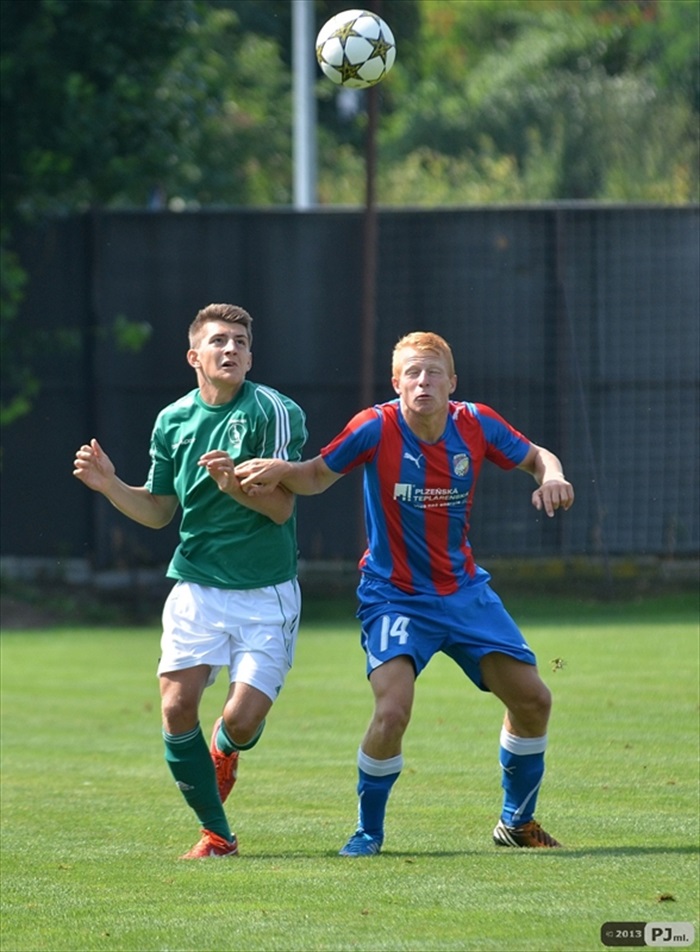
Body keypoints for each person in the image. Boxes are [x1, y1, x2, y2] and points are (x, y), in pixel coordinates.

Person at [235, 331, 574, 855]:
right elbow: (317, 476)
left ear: (451, 382)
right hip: (393, 596)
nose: (423, 381)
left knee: (533, 700)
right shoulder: (374, 427)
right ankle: (368, 831)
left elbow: (537, 457)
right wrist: (282, 471)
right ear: (396, 383)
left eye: (433, 372)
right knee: (392, 711)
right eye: (412, 373)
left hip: (464, 593)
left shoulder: (476, 422)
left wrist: (552, 475)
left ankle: (517, 822)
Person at [73, 303, 307, 859]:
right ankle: (218, 834)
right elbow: (158, 513)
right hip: (197, 588)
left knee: (242, 721)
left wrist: (233, 487)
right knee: (177, 708)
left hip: (265, 591)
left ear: (251, 355)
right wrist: (110, 486)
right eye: (220, 341)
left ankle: (227, 749)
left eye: (241, 343)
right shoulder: (172, 420)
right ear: (193, 356)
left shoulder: (273, 411)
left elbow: (281, 511)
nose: (232, 350)